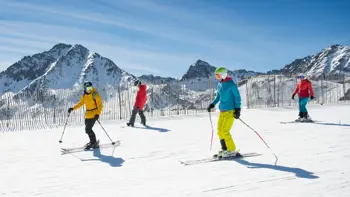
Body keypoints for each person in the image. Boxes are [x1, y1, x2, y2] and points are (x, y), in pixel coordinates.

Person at [207, 67, 242, 158]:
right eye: (216, 76)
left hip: (230, 111)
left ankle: (232, 150)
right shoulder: (220, 85)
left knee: (225, 131)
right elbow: (218, 97)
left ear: (223, 74)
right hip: (222, 112)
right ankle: (225, 148)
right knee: (219, 130)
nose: (217, 78)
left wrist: (237, 110)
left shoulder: (231, 84)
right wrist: (212, 104)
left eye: (218, 75)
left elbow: (237, 97)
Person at [68, 81, 103, 149]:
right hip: (87, 115)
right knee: (87, 130)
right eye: (87, 88)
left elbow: (100, 105)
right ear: (84, 88)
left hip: (94, 115)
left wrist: (97, 114)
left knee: (88, 129)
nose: (89, 90)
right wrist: (73, 108)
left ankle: (94, 143)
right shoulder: (84, 96)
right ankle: (92, 141)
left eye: (90, 88)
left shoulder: (95, 94)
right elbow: (80, 103)